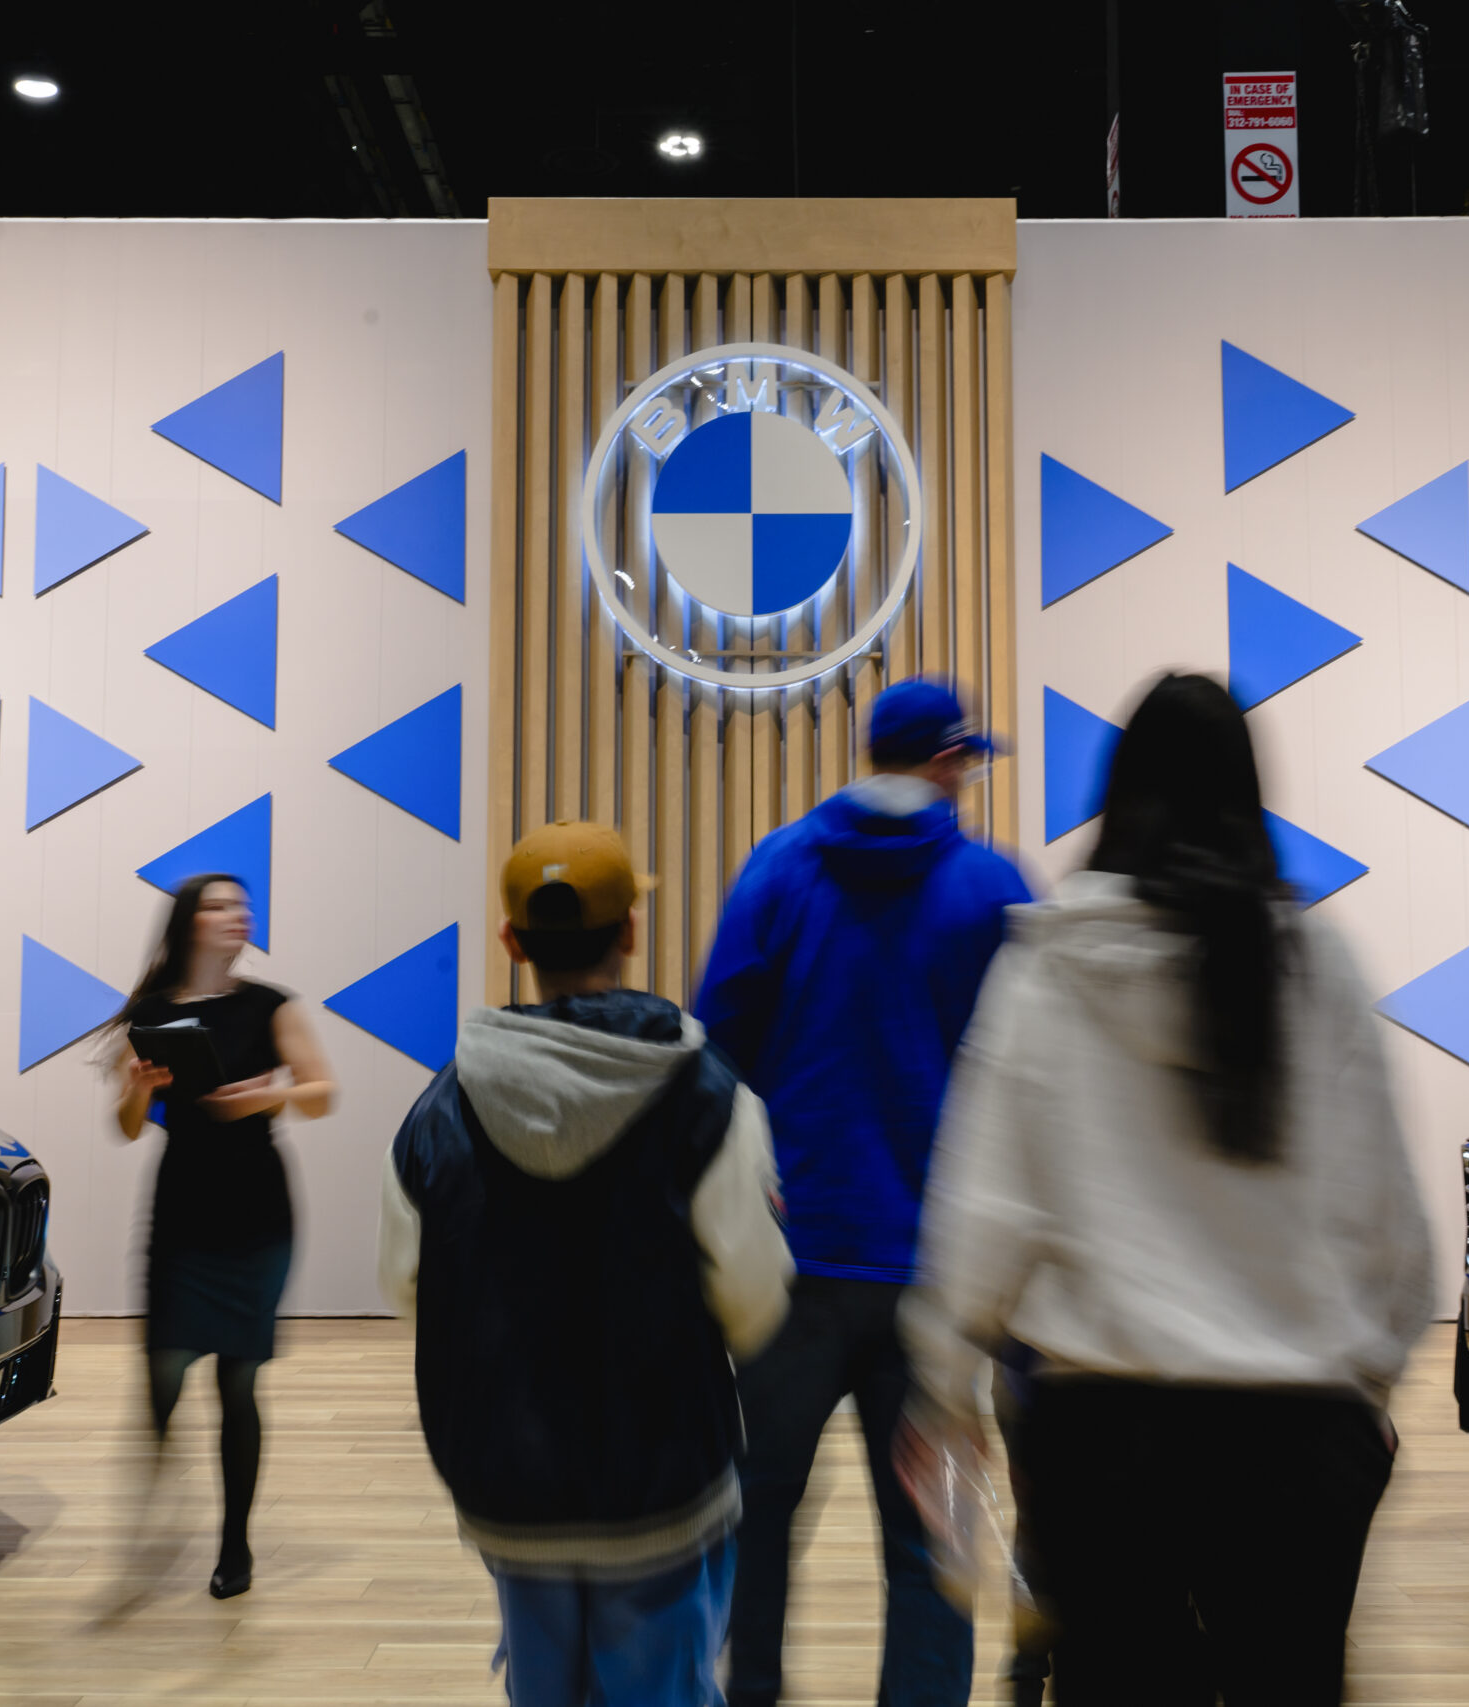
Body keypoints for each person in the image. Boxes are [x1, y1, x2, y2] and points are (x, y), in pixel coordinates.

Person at [902, 672, 1432, 1707]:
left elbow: (983, 1212)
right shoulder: (1318, 964)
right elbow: (1392, 1228)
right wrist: (1364, 1387)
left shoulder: (1050, 966)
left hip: (1107, 1446)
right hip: (1299, 1440)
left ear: (1119, 795)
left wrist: (943, 1380)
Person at [378, 821, 792, 1707]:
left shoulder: (437, 1108)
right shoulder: (709, 1095)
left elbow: (407, 1282)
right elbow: (755, 1297)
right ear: (631, 929)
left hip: (508, 1486)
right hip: (663, 1484)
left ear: (511, 941)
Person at [693, 677, 1033, 1707]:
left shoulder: (777, 868)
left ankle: (751, 1693)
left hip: (789, 1262)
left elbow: (716, 1051)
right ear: (946, 762)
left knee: (757, 1516)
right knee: (930, 1535)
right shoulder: (992, 888)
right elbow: (1033, 1086)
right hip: (937, 1276)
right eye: (967, 763)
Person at [112, 873, 336, 1601]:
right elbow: (126, 1126)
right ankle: (157, 1491)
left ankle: (234, 1541)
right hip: (182, 1206)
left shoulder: (271, 1005)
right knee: (163, 1371)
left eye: (242, 905)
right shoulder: (149, 1013)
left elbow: (322, 1092)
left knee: (238, 1381)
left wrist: (268, 1094)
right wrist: (140, 1088)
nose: (237, 914)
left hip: (256, 1210)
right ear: (189, 922)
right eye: (219, 905)